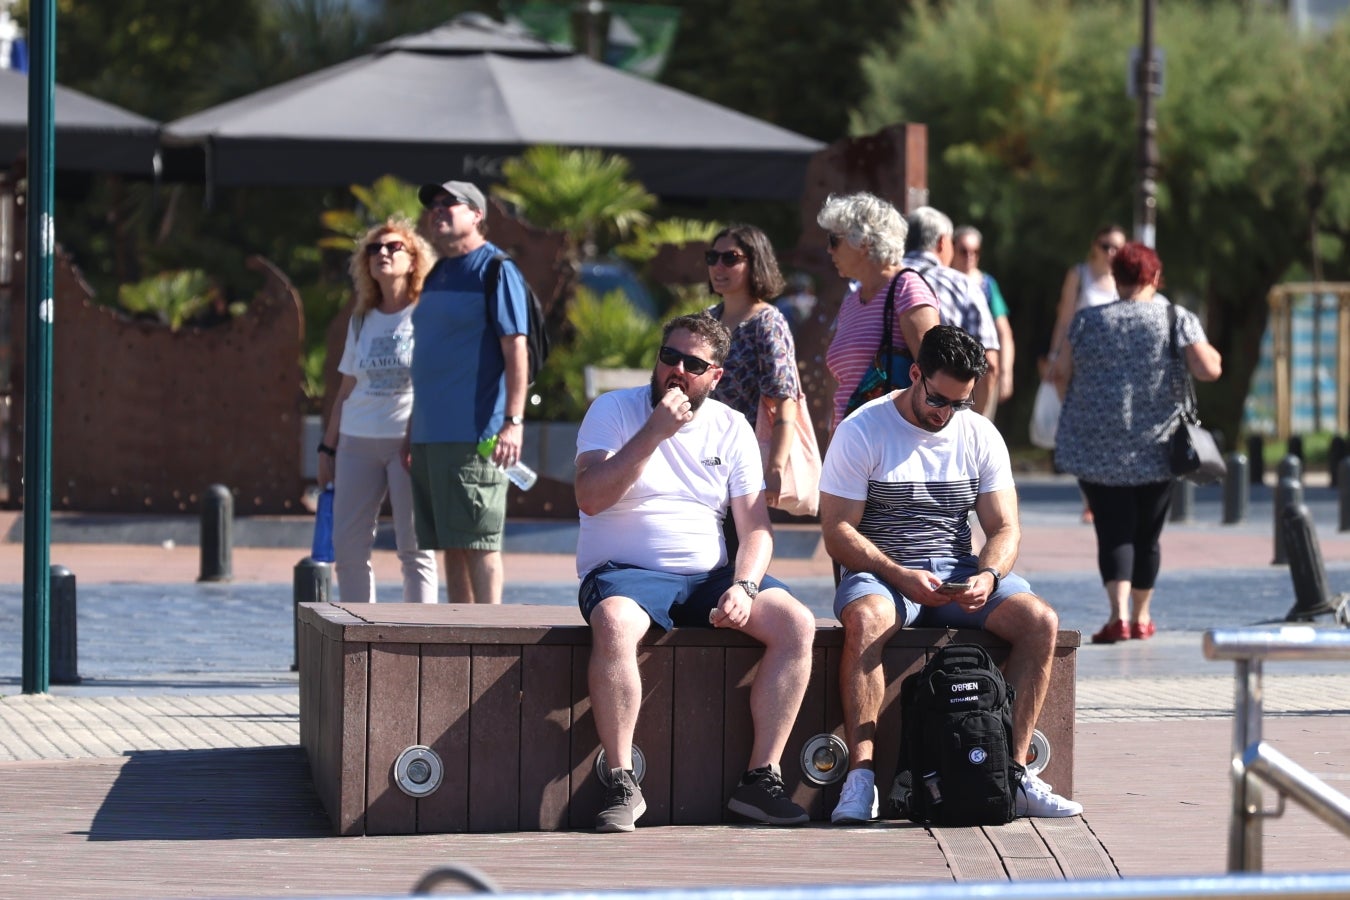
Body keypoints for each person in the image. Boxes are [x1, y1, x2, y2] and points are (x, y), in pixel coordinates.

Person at [818, 324, 1083, 824]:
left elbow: (1005, 528)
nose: (947, 414)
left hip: (960, 572)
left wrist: (988, 575)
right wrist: (897, 573)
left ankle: (1012, 772)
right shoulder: (863, 429)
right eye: (939, 400)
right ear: (915, 374)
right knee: (866, 620)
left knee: (1040, 622)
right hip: (884, 571)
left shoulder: (978, 432)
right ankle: (862, 777)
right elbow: (837, 532)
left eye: (961, 403)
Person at [574, 313, 816, 833]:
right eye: (669, 357)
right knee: (614, 624)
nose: (676, 370)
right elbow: (590, 497)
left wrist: (745, 586)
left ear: (716, 376)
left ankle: (761, 781)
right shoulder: (614, 411)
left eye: (693, 363)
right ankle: (620, 779)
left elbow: (756, 528)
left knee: (796, 623)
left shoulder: (731, 427)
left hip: (708, 576)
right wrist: (654, 433)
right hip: (625, 574)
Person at [1051, 244, 1222, 644]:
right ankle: (1143, 617)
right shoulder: (1176, 318)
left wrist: (1080, 408)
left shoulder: (1086, 321)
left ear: (1116, 277)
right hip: (1158, 446)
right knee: (1147, 534)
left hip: (1094, 445)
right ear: (1155, 278)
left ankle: (1117, 616)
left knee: (1112, 530)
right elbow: (1209, 368)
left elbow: (1060, 373)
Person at [407, 180, 531, 605]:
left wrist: (513, 423)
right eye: (433, 205)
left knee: (480, 541)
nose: (438, 210)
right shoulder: (436, 273)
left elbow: (516, 349)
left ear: (477, 215)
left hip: (479, 433)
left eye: (450, 204)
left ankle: (491, 638)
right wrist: (411, 429)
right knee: (451, 544)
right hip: (429, 435)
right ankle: (461, 641)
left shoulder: (496, 269)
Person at [319, 218, 439, 603]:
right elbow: (345, 388)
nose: (382, 253)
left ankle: (423, 642)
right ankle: (358, 638)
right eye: (374, 249)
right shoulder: (361, 319)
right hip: (357, 439)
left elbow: (436, 386)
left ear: (414, 259)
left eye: (392, 247)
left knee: (415, 549)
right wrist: (327, 448)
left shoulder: (428, 313)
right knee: (349, 549)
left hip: (409, 443)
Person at [818, 192, 941, 431]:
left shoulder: (907, 288)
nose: (829, 250)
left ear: (863, 242)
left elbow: (935, 376)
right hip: (853, 443)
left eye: (834, 240)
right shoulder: (852, 301)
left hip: (892, 441)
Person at [705, 224, 801, 516]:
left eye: (730, 258)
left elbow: (786, 398)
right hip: (704, 452)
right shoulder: (706, 320)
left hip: (744, 458)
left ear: (755, 261)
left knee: (741, 542)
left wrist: (774, 467)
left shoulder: (767, 322)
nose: (719, 266)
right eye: (713, 257)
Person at [903, 207, 1000, 418]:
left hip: (872, 415)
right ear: (942, 242)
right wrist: (975, 423)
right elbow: (990, 364)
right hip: (936, 420)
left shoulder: (871, 283)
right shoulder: (962, 285)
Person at [1046, 224, 1128, 380]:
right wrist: (1054, 356)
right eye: (1105, 246)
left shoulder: (1125, 280)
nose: (1110, 252)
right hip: (1079, 359)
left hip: (1113, 362)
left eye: (1117, 248)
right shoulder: (1079, 275)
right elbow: (1064, 320)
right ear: (1095, 246)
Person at [953, 225, 1015, 416]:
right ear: (952, 249)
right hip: (951, 370)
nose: (969, 256)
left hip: (981, 374)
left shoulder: (987, 285)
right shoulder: (943, 280)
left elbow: (1004, 332)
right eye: (963, 251)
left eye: (975, 251)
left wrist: (1005, 373)